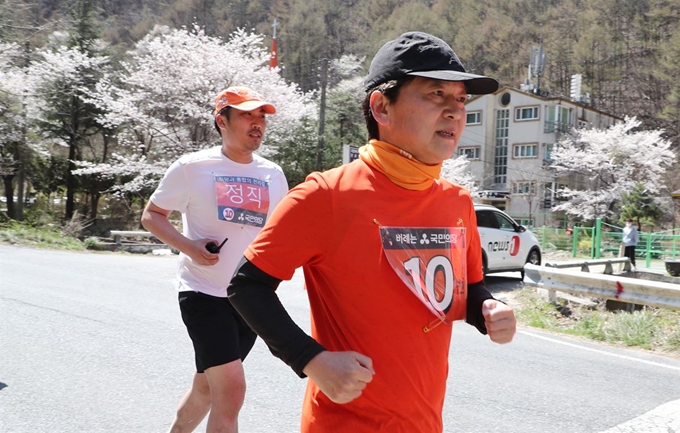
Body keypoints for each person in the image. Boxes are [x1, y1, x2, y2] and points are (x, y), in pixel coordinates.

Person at [227, 31, 516, 432]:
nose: (454, 111)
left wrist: (487, 312)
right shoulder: (324, 195)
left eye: (462, 99)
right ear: (381, 106)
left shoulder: (457, 201)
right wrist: (311, 359)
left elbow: (460, 291)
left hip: (425, 422)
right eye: (436, 94)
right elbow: (246, 285)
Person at [141, 86, 289, 433]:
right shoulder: (193, 167)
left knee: (207, 386)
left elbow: (280, 230)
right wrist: (190, 246)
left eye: (262, 117)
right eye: (247, 115)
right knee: (231, 390)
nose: (258, 124)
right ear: (222, 121)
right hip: (204, 293)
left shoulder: (273, 174)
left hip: (250, 299)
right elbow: (153, 215)